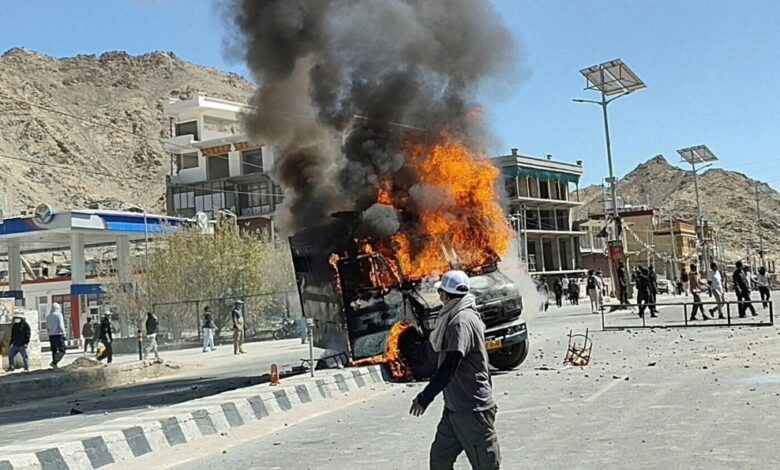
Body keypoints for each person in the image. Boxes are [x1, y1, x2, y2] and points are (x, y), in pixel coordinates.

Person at [409, 270, 500, 470]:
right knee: (440, 460)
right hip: (454, 408)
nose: (439, 296)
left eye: (441, 292)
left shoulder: (461, 321)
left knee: (486, 465)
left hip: (471, 409)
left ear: (446, 295)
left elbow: (450, 365)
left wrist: (425, 397)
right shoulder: (458, 315)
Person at [46, 302, 67, 369]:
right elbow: (61, 325)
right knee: (63, 349)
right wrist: (64, 332)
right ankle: (54, 362)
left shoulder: (48, 317)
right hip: (58, 334)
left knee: (54, 350)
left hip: (51, 335)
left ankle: (54, 365)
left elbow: (47, 327)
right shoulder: (59, 315)